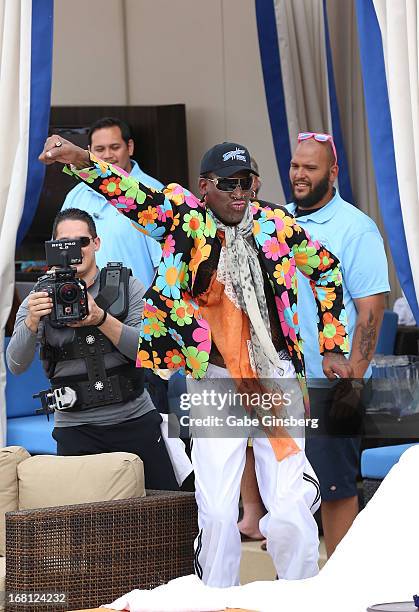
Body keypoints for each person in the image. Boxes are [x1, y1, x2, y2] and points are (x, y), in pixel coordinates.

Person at [39, 136, 353, 587]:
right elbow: (131, 195)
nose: (240, 192)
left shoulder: (276, 225)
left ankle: (299, 597)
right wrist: (80, 160)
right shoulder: (184, 220)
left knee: (289, 509)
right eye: (228, 183)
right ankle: (215, 598)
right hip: (216, 380)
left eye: (248, 182)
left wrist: (333, 344)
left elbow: (325, 269)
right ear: (204, 186)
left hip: (275, 375)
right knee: (220, 511)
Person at [239, 132, 389, 557]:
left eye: (310, 168)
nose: (299, 176)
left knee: (334, 487)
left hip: (331, 382)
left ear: (333, 172)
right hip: (278, 381)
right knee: (285, 488)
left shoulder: (356, 229)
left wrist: (353, 383)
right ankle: (296, 585)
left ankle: (342, 585)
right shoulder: (274, 222)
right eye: (294, 167)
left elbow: (371, 311)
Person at [6, 208, 179, 491]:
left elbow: (147, 352)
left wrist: (102, 319)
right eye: (65, 244)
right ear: (53, 248)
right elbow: (15, 364)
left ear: (96, 243)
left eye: (82, 242)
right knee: (85, 526)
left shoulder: (125, 284)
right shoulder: (39, 296)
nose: (75, 252)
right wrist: (30, 322)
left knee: (165, 513)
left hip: (134, 418)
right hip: (75, 428)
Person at [61, 117, 163, 289]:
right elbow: (60, 256)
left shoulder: (152, 193)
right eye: (100, 149)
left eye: (114, 147)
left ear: (129, 147)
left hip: (139, 311)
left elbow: (165, 267)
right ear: (89, 152)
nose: (107, 155)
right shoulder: (75, 195)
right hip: (85, 308)